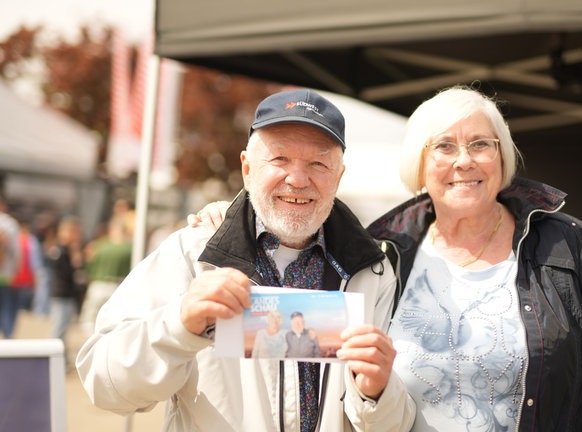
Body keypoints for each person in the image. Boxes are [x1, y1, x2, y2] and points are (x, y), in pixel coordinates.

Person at [194, 85, 582, 431]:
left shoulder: (565, 244)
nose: (464, 161)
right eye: (443, 146)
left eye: (481, 143)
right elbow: (290, 330)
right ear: (419, 165)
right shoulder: (379, 253)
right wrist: (233, 219)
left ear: (501, 157)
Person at [76, 88, 415, 432]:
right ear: (247, 169)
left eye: (318, 163)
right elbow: (103, 384)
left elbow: (397, 424)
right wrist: (178, 325)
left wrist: (377, 393)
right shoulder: (194, 254)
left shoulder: (374, 272)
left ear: (338, 177)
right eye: (280, 159)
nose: (297, 180)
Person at [79, 216, 133, 334]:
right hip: (118, 285)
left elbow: (89, 264)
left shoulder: (99, 245)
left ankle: (91, 339)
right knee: (114, 318)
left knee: (90, 316)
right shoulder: (130, 248)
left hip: (98, 283)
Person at [47, 216, 87, 364]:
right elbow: (67, 274)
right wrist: (76, 260)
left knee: (62, 329)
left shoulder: (64, 250)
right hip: (61, 295)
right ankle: (55, 361)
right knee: (58, 330)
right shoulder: (60, 251)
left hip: (66, 295)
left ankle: (60, 360)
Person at [0, 195, 20, 338]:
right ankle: (7, 339)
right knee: (7, 308)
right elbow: (16, 251)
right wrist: (16, 269)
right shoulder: (10, 224)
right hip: (6, 274)